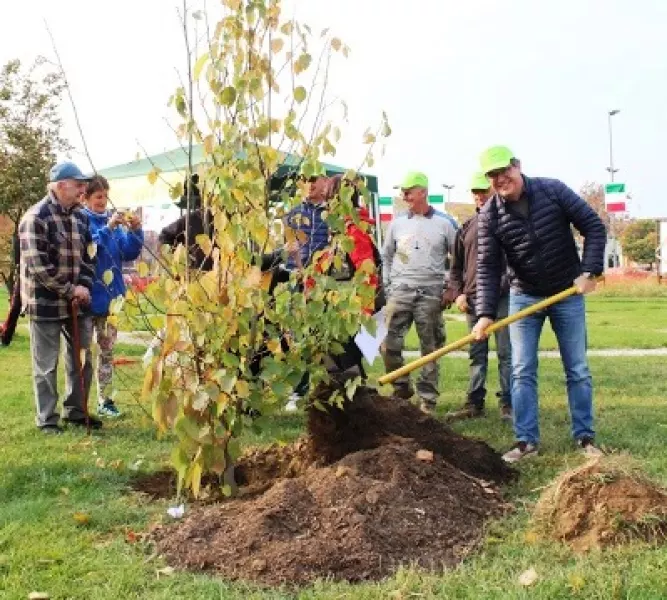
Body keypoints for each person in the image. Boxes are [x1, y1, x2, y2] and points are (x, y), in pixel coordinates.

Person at [472, 146, 607, 462]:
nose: (500, 179)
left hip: (567, 292)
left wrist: (590, 271)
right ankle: (526, 442)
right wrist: (485, 313)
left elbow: (594, 227)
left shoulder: (552, 190)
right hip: (524, 295)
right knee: (521, 370)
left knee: (577, 368)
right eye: (493, 175)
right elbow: (488, 266)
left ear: (517, 166)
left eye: (503, 170)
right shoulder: (490, 214)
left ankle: (585, 438)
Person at [19, 161, 102, 434]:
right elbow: (39, 268)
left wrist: (85, 286)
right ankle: (47, 420)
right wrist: (70, 290)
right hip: (45, 304)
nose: (83, 189)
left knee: (81, 360)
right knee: (46, 365)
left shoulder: (81, 217)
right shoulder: (36, 217)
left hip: (77, 302)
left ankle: (76, 411)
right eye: (78, 184)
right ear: (60, 185)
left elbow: (90, 254)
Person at [381, 171, 457, 413]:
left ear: (423, 192)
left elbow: (459, 258)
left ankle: (428, 400)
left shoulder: (445, 223)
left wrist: (451, 287)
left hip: (431, 291)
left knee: (430, 346)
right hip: (400, 289)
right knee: (387, 343)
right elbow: (387, 256)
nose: (404, 195)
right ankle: (401, 388)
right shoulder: (396, 223)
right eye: (402, 191)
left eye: (409, 191)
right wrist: (388, 286)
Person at [445, 172, 512, 422]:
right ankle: (474, 403)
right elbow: (455, 268)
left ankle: (508, 404)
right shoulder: (466, 227)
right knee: (476, 354)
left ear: (493, 191)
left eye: (484, 191)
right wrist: (459, 293)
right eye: (475, 192)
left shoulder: (507, 222)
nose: (479, 196)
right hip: (472, 299)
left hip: (503, 298)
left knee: (506, 353)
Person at [82, 175, 144, 417]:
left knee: (107, 353)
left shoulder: (113, 222)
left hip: (112, 302)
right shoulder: (83, 222)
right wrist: (108, 229)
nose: (103, 201)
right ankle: (79, 403)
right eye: (98, 196)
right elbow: (92, 251)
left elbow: (128, 252)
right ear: (86, 198)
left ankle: (105, 400)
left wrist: (136, 230)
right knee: (84, 356)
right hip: (89, 300)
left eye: (106, 196)